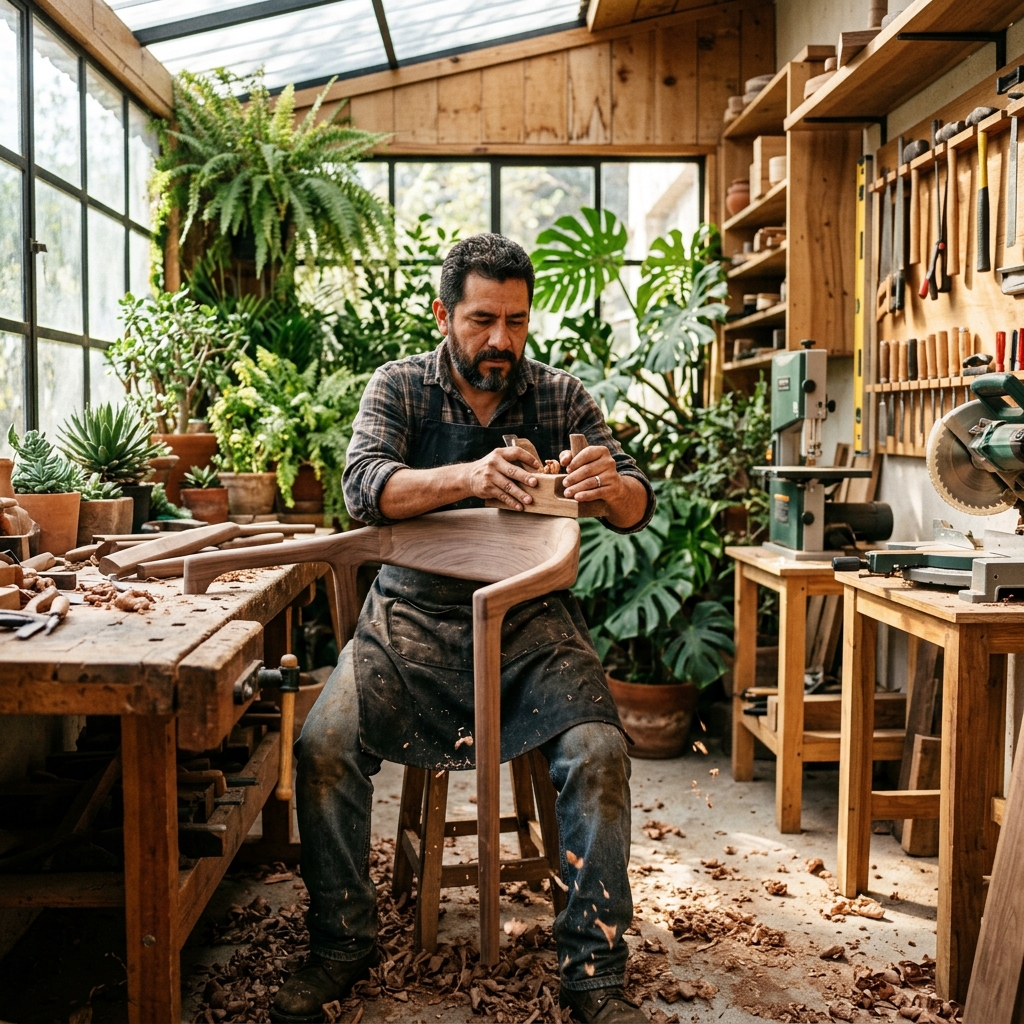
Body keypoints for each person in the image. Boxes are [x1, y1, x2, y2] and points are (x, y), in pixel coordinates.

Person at [271, 233, 655, 1024]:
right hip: (411, 614)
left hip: (529, 620)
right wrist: (470, 477)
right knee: (323, 746)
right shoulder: (401, 387)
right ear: (445, 313)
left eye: (517, 322)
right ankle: (342, 942)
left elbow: (636, 504)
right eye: (483, 320)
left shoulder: (558, 396)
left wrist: (610, 487)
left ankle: (594, 974)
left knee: (598, 750)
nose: (501, 341)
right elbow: (362, 487)